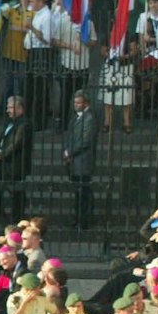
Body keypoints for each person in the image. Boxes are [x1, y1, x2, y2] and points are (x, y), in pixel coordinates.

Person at [0, 94, 33, 219]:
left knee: (16, 189)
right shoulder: (11, 122)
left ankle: (17, 216)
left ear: (20, 109)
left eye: (11, 108)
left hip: (16, 162)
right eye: (8, 107)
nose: (8, 110)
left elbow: (16, 143)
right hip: (4, 161)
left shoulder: (24, 124)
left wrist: (1, 154)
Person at [65, 88, 99, 225]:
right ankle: (79, 218)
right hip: (75, 160)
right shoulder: (77, 117)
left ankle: (84, 220)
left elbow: (86, 141)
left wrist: (70, 152)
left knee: (84, 191)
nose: (75, 105)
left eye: (79, 103)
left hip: (83, 161)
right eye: (75, 102)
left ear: (87, 104)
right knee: (79, 192)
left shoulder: (89, 119)